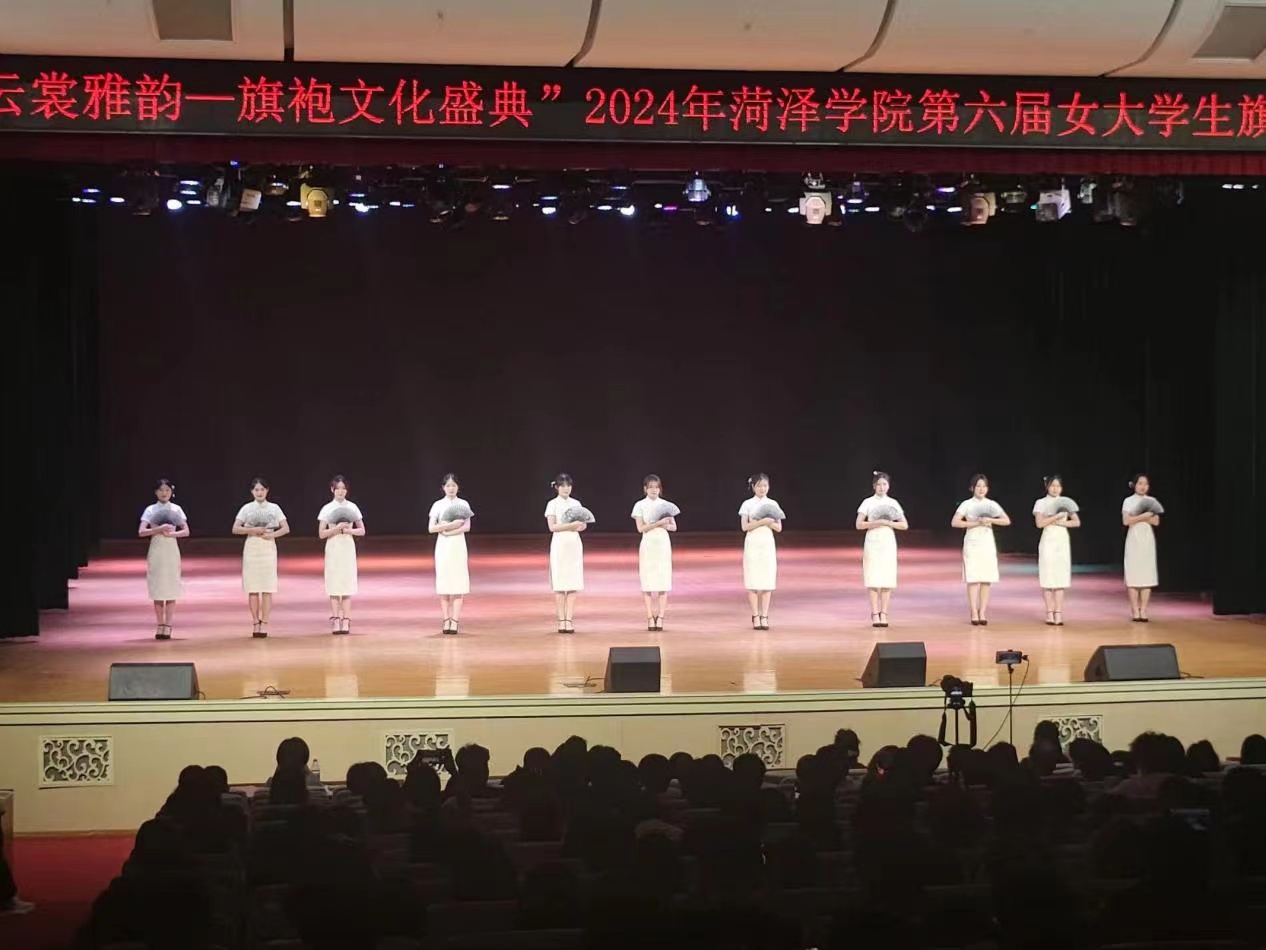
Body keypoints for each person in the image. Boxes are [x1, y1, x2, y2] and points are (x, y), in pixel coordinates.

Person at [231, 477, 290, 638]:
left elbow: (285, 528)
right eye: (256, 490)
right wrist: (251, 530)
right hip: (252, 549)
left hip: (268, 549)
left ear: (267, 491)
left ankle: (265, 622)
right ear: (252, 492)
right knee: (253, 588)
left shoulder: (274, 508)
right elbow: (235, 528)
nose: (259, 492)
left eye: (262, 489)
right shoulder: (247, 508)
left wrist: (272, 535)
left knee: (267, 588)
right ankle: (255, 622)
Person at [952, 474, 1011, 625]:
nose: (981, 489)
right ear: (972, 488)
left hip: (987, 543)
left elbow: (1006, 520)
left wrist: (991, 520)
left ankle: (982, 612)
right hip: (972, 542)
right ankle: (973, 611)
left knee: (986, 578)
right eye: (978, 486)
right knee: (973, 578)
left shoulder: (991, 504)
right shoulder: (967, 504)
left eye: (984, 486)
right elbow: (955, 522)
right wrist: (975, 523)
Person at [137, 477, 189, 640]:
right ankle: (160, 624)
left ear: (171, 492)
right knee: (158, 587)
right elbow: (141, 531)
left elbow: (186, 531)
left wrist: (171, 534)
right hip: (156, 549)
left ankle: (168, 624)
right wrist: (158, 529)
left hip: (171, 549)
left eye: (167, 490)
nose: (164, 493)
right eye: (161, 490)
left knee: (171, 586)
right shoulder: (150, 510)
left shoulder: (176, 509)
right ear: (156, 492)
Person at [855, 470, 908, 628]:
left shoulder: (893, 503)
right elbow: (859, 524)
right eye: (879, 484)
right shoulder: (868, 502)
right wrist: (876, 523)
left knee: (887, 577)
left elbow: (904, 525)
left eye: (885, 484)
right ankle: (874, 613)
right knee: (873, 577)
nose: (882, 487)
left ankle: (884, 613)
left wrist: (888, 523)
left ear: (889, 486)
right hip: (873, 541)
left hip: (888, 541)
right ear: (874, 486)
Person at [317, 475, 364, 635]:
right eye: (338, 489)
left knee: (346, 583)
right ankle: (336, 619)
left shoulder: (352, 507)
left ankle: (346, 619)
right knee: (334, 584)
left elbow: (362, 530)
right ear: (332, 490)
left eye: (343, 488)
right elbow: (321, 533)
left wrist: (349, 530)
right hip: (333, 547)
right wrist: (336, 529)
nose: (341, 491)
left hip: (347, 547)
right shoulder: (327, 508)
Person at [1032, 475, 1080, 626]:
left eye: (1058, 486)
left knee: (1060, 578)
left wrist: (1061, 523)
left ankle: (1058, 612)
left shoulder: (1065, 502)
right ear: (1047, 486)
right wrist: (1054, 518)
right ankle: (1049, 612)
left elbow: (1076, 522)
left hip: (1062, 540)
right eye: (1052, 485)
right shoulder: (1041, 502)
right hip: (1048, 540)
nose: (1055, 488)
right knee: (1047, 577)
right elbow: (1039, 523)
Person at [631, 474, 677, 631]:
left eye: (656, 487)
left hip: (663, 544)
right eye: (650, 487)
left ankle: (661, 617)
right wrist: (657, 523)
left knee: (663, 580)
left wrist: (665, 525)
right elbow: (640, 528)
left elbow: (674, 527)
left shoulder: (665, 505)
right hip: (648, 544)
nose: (654, 490)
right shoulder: (639, 505)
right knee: (648, 581)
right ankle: (650, 617)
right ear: (645, 489)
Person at [428, 473, 472, 635]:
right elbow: (431, 528)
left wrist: (450, 530)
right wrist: (448, 527)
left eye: (453, 485)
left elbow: (467, 527)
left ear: (458, 487)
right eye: (448, 486)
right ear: (443, 488)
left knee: (458, 582)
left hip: (458, 545)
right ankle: (446, 619)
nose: (451, 488)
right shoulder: (438, 505)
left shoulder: (463, 504)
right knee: (444, 583)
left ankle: (455, 620)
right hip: (443, 546)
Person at [739, 472, 783, 630]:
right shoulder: (747, 504)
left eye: (765, 486)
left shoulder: (773, 503)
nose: (762, 489)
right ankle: (755, 615)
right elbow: (745, 527)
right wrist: (761, 521)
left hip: (767, 544)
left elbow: (778, 527)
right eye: (759, 486)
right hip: (753, 543)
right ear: (753, 487)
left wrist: (769, 523)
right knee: (752, 580)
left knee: (766, 581)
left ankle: (764, 615)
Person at [544, 474, 586, 634]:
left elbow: (583, 525)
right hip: (559, 544)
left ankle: (569, 619)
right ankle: (561, 620)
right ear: (557, 487)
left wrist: (580, 526)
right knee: (560, 584)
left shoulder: (576, 503)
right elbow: (552, 527)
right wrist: (570, 526)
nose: (566, 488)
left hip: (574, 544)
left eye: (568, 485)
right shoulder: (552, 504)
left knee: (573, 582)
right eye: (562, 486)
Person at [1122, 473, 1162, 622]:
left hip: (1147, 539)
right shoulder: (1128, 501)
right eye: (1140, 483)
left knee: (1147, 575)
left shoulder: (1152, 501)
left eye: (1146, 484)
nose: (1143, 486)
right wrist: (1143, 516)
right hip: (1134, 539)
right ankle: (1134, 610)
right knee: (1133, 575)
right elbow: (1126, 521)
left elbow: (1156, 521)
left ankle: (1143, 609)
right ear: (1134, 485)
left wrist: (1141, 517)